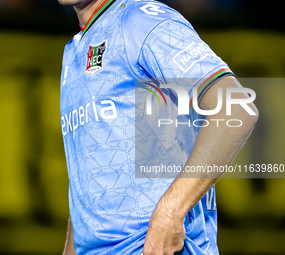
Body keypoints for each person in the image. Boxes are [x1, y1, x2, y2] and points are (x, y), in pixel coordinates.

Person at [58, 0, 258, 254]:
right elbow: (88, 178)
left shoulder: (142, 20)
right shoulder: (73, 51)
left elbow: (236, 108)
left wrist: (170, 213)